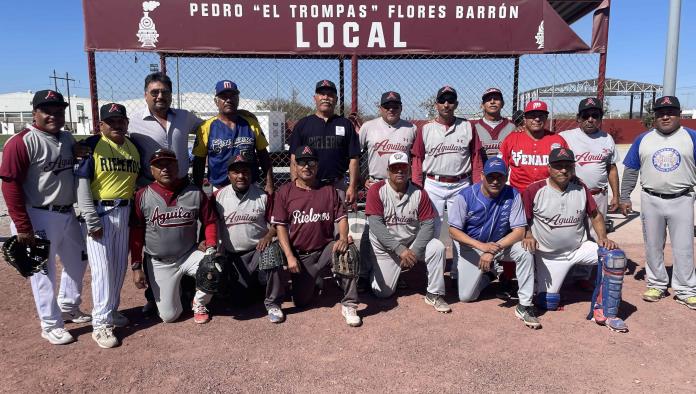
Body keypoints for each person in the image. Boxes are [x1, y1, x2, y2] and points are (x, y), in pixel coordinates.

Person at [0, 90, 89, 345]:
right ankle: (50, 324)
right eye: (47, 110)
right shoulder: (22, 141)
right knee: (42, 271)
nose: (54, 115)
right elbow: (10, 184)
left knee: (78, 261)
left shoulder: (67, 137)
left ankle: (69, 306)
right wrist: (22, 226)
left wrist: (80, 150)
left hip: (67, 212)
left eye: (59, 110)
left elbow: (75, 156)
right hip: (37, 214)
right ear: (34, 113)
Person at [523, 148, 628, 332]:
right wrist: (528, 235)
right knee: (548, 303)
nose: (563, 170)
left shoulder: (580, 188)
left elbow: (595, 215)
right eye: (558, 166)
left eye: (567, 166)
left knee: (614, 257)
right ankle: (540, 287)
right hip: (548, 256)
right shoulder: (535, 189)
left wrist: (603, 238)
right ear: (549, 168)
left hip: (578, 248)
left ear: (573, 167)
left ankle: (606, 312)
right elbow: (522, 219)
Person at [128, 72, 203, 315]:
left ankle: (188, 290)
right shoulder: (133, 121)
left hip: (181, 185)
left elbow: (208, 127)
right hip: (150, 187)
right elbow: (112, 135)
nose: (160, 96)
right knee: (155, 240)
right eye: (155, 92)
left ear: (171, 94)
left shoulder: (185, 117)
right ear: (145, 95)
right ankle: (155, 294)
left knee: (184, 235)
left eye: (165, 92)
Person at [271, 146, 361, 327]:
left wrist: (343, 237)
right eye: (302, 163)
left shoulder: (328, 190)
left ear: (317, 166)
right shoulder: (285, 192)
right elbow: (280, 226)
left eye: (311, 162)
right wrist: (289, 256)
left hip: (325, 249)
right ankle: (307, 284)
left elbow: (342, 218)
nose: (306, 167)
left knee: (348, 251)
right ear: (295, 166)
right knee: (301, 301)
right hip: (301, 255)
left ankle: (349, 304)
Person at [620, 96, 696, 309]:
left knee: (684, 246)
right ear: (654, 115)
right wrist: (625, 196)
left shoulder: (691, 137)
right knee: (653, 244)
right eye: (661, 112)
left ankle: (686, 289)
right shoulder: (643, 139)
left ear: (679, 114)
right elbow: (632, 169)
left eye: (670, 112)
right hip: (651, 198)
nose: (665, 116)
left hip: (682, 197)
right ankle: (656, 283)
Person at [75, 103, 141, 348]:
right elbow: (81, 184)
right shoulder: (91, 146)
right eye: (110, 121)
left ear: (126, 123)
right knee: (102, 270)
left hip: (124, 213)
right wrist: (90, 218)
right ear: (100, 124)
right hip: (100, 211)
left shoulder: (133, 148)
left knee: (117, 267)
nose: (116, 125)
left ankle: (111, 310)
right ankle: (100, 322)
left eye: (120, 120)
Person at [129, 149, 218, 324]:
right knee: (170, 317)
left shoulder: (194, 192)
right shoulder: (142, 195)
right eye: (159, 165)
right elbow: (136, 233)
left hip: (188, 254)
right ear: (151, 170)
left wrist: (211, 245)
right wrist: (136, 266)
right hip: (159, 262)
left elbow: (210, 221)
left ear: (177, 167)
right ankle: (178, 295)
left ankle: (198, 302)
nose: (165, 169)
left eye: (169, 164)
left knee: (214, 265)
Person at [448, 158, 539, 328]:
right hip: (473, 246)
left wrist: (491, 251)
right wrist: (482, 247)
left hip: (500, 246)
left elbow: (519, 231)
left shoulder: (513, 194)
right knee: (467, 297)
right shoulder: (465, 196)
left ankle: (525, 304)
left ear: (506, 177)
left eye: (500, 177)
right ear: (482, 176)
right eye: (491, 177)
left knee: (525, 250)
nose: (495, 181)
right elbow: (453, 231)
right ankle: (489, 275)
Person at [364, 152, 450, 313]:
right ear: (388, 171)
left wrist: (414, 252)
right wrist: (399, 250)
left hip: (411, 243)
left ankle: (434, 293)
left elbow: (428, 225)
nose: (399, 171)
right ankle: (373, 272)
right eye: (395, 168)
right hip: (386, 247)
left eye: (403, 168)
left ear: (409, 170)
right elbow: (376, 225)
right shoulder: (377, 190)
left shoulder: (419, 192)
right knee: (382, 293)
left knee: (437, 246)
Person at [213, 151, 285, 323]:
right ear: (228, 175)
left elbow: (276, 224)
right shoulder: (217, 197)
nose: (241, 176)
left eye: (245, 171)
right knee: (241, 302)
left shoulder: (262, 196)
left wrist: (268, 235)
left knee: (273, 251)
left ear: (251, 173)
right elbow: (210, 225)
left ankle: (273, 303)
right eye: (235, 172)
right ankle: (256, 285)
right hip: (233, 256)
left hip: (258, 251)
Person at [357, 91, 417, 291]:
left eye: (395, 106)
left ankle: (397, 271)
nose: (391, 109)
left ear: (401, 107)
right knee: (370, 230)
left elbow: (416, 159)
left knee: (399, 228)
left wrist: (414, 184)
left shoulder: (411, 129)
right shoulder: (368, 127)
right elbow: (355, 157)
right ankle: (364, 273)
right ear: (380, 108)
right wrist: (360, 180)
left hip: (402, 185)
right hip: (376, 184)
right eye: (387, 106)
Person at [559, 98, 620, 289]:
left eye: (595, 115)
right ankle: (566, 273)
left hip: (598, 194)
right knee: (571, 233)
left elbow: (611, 168)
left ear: (601, 118)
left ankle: (586, 276)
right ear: (578, 118)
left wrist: (616, 195)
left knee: (596, 235)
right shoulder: (566, 137)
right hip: (574, 194)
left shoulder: (606, 138)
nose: (591, 119)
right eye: (586, 115)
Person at [411, 86, 482, 235]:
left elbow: (476, 158)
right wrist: (417, 187)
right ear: (436, 104)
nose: (446, 104)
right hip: (433, 184)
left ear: (456, 104)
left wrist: (477, 188)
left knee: (461, 228)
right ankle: (433, 259)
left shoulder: (467, 126)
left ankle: (460, 259)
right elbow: (417, 160)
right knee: (431, 229)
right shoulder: (426, 128)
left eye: (450, 100)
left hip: (461, 184)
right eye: (442, 100)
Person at [192, 80, 274, 193]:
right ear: (216, 101)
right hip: (219, 187)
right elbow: (199, 162)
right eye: (223, 97)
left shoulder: (251, 123)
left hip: (250, 185)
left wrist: (269, 183)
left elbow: (263, 155)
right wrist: (198, 189)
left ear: (238, 99)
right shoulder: (206, 127)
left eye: (232, 96)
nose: (228, 100)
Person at [289, 80, 360, 204]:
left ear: (336, 99)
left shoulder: (345, 124)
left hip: (337, 185)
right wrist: (296, 184)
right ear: (315, 98)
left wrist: (352, 187)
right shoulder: (303, 124)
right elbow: (294, 158)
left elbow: (354, 159)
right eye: (322, 94)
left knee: (339, 222)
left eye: (330, 94)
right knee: (310, 222)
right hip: (309, 185)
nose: (326, 97)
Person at [499, 100, 569, 193]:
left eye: (541, 116)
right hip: (517, 193)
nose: (537, 119)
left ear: (546, 118)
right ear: (525, 118)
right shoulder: (511, 139)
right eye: (532, 116)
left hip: (549, 193)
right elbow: (500, 166)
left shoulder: (558, 140)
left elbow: (569, 168)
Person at [470, 88, 518, 162]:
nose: (492, 102)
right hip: (481, 171)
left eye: (496, 99)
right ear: (482, 105)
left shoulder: (512, 127)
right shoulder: (474, 127)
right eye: (488, 99)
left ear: (502, 104)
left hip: (504, 171)